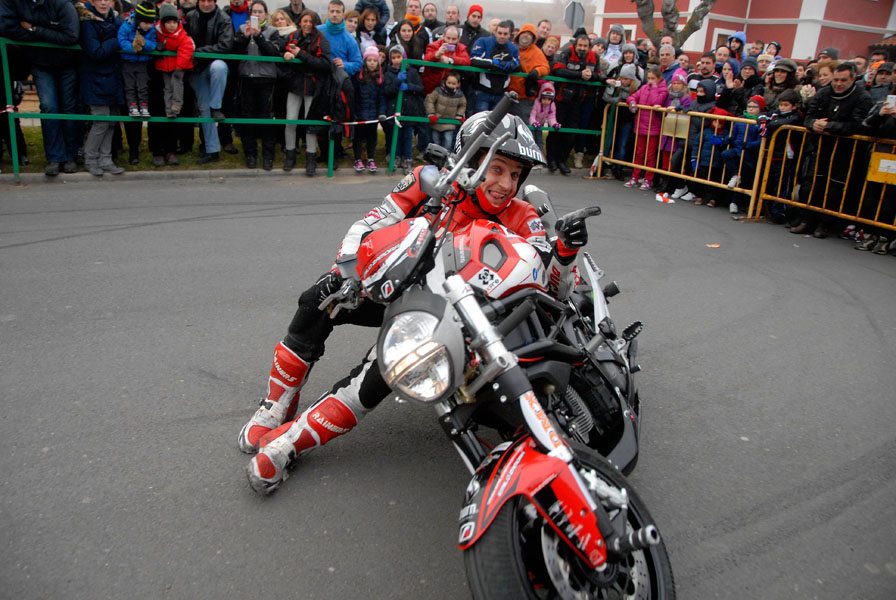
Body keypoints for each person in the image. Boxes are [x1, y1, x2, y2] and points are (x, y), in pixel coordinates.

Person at [243, 112, 590, 494]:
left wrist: (566, 254)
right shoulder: (431, 182)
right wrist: (346, 271)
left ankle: (287, 444)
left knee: (380, 374)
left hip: (455, 323)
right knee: (319, 298)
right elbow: (369, 224)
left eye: (515, 174)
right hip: (396, 287)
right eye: (497, 169)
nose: (506, 184)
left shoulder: (524, 215)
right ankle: (277, 403)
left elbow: (552, 295)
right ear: (469, 161)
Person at [791, 62, 872, 238]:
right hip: (821, 147)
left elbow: (857, 125)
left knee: (835, 189)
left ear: (853, 78)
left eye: (843, 80)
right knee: (812, 184)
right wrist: (813, 124)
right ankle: (806, 220)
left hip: (846, 152)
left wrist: (829, 126)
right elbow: (809, 116)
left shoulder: (862, 97)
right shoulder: (824, 93)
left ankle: (824, 224)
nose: (838, 84)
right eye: (836, 80)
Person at [0, 0, 80, 176]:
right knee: (49, 107)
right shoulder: (15, 3)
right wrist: (49, 35)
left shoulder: (62, 4)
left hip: (67, 63)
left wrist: (34, 29)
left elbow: (71, 36)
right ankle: (54, 157)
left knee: (68, 108)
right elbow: (7, 28)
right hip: (39, 63)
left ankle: (70, 156)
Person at [232, 0, 281, 170]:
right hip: (246, 77)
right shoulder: (241, 29)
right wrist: (245, 37)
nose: (257, 15)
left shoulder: (272, 31)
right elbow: (235, 50)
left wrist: (259, 36)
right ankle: (250, 155)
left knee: (266, 118)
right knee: (247, 118)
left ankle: (268, 156)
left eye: (260, 12)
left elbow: (273, 52)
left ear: (266, 14)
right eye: (255, 12)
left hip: (266, 79)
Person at [281, 8, 331, 175]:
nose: (308, 24)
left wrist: (300, 54)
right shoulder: (293, 36)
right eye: (305, 21)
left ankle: (311, 157)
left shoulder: (321, 39)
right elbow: (279, 48)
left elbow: (325, 64)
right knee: (290, 121)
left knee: (311, 123)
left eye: (311, 22)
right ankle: (289, 154)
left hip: (313, 86)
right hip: (294, 84)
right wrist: (285, 54)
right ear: (300, 22)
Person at [184, 0, 234, 164]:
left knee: (219, 67)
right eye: (203, 1)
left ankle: (216, 106)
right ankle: (212, 150)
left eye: (210, 0)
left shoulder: (224, 18)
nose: (206, 4)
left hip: (213, 65)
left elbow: (226, 45)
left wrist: (199, 52)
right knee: (204, 109)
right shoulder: (190, 16)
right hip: (195, 69)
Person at [79, 0, 125, 177]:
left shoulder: (116, 20)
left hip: (113, 78)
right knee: (100, 121)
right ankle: (91, 159)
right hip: (95, 78)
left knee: (111, 122)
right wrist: (115, 41)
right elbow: (96, 52)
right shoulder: (88, 22)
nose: (104, 3)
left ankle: (106, 159)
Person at [548, 30, 599, 174]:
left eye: (585, 46)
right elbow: (557, 71)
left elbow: (599, 75)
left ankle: (562, 161)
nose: (582, 48)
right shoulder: (567, 52)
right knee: (555, 130)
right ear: (575, 45)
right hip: (561, 99)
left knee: (571, 133)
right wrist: (579, 75)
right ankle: (551, 160)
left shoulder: (594, 57)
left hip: (579, 101)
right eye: (580, 45)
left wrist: (591, 76)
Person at [759, 88, 803, 224]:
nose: (782, 107)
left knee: (782, 185)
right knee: (768, 182)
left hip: (785, 156)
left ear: (794, 106)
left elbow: (779, 124)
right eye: (781, 104)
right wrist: (763, 121)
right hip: (771, 153)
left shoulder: (796, 117)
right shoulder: (775, 113)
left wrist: (770, 124)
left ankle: (780, 212)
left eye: (786, 105)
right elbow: (762, 116)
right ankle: (766, 208)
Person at [717, 95, 764, 213]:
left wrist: (749, 145)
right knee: (726, 154)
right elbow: (733, 135)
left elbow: (761, 141)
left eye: (755, 107)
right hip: (737, 150)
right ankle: (735, 174)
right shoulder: (740, 120)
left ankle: (735, 202)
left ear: (760, 109)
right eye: (749, 106)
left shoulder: (760, 123)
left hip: (749, 154)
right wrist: (728, 139)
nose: (751, 109)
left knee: (744, 180)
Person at [383, 45, 426, 172]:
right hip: (395, 110)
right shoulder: (389, 74)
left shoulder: (412, 72)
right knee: (396, 136)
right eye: (393, 58)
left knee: (407, 136)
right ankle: (396, 157)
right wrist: (397, 81)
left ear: (404, 57)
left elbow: (420, 88)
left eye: (399, 57)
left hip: (409, 110)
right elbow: (387, 91)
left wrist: (409, 86)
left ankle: (407, 158)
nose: (396, 60)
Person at [624, 66, 668, 190]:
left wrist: (654, 88)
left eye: (653, 78)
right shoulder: (644, 88)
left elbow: (656, 102)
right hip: (641, 125)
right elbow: (632, 96)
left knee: (650, 156)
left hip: (653, 127)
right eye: (648, 78)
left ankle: (648, 179)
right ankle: (635, 177)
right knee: (639, 153)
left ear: (659, 79)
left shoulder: (663, 90)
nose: (650, 81)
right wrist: (632, 102)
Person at [117, 1, 157, 118]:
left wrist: (144, 43)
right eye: (145, 23)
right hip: (128, 61)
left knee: (142, 86)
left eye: (150, 23)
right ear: (139, 20)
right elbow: (121, 40)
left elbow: (153, 44)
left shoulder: (151, 29)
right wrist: (132, 48)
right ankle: (132, 106)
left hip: (142, 62)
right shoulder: (127, 25)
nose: (148, 26)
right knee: (130, 85)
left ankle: (144, 106)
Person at [469, 20, 519, 112]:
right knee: (481, 119)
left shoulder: (513, 48)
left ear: (510, 35)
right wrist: (494, 63)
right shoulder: (483, 41)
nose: (502, 36)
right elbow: (473, 59)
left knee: (498, 120)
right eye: (500, 33)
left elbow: (517, 64)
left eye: (505, 34)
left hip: (501, 92)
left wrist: (507, 65)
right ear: (495, 32)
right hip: (482, 91)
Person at [155, 3, 194, 120]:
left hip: (178, 65)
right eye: (168, 22)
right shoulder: (157, 32)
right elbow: (150, 39)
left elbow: (187, 49)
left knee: (176, 83)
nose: (172, 25)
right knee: (167, 87)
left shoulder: (181, 35)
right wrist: (156, 45)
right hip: (164, 65)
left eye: (174, 22)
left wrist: (179, 67)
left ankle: (177, 105)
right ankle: (168, 109)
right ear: (163, 23)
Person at [351, 46, 386, 172]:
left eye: (374, 60)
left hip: (373, 115)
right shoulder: (358, 78)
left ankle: (371, 158)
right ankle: (357, 159)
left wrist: (381, 112)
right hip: (360, 114)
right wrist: (354, 112)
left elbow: (382, 98)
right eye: (369, 60)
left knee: (372, 137)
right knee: (358, 137)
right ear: (365, 61)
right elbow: (354, 96)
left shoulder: (379, 79)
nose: (372, 63)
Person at [507, 23, 550, 121]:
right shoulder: (510, 47)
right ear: (519, 34)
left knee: (522, 123)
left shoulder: (537, 52)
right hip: (505, 94)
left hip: (524, 97)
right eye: (524, 33)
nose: (526, 36)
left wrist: (537, 71)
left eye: (530, 34)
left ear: (533, 38)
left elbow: (545, 68)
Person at [421, 25, 469, 94]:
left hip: (450, 87)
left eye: (454, 39)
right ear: (443, 36)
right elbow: (425, 60)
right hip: (431, 86)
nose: (450, 41)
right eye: (448, 38)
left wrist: (450, 60)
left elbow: (466, 61)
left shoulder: (461, 48)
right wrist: (436, 55)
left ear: (458, 39)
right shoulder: (434, 45)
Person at [424, 69, 466, 150]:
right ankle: (434, 155)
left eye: (453, 84)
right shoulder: (438, 91)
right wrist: (431, 114)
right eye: (449, 83)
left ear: (458, 84)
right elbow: (429, 100)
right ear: (445, 82)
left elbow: (463, 104)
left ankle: (446, 156)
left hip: (450, 123)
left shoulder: (460, 95)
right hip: (436, 121)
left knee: (448, 142)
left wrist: (459, 115)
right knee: (435, 141)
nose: (450, 85)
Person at [530, 81, 559, 152]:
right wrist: (533, 122)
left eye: (549, 99)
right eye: (544, 99)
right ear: (541, 97)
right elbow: (531, 115)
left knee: (540, 141)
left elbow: (551, 117)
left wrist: (554, 124)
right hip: (532, 125)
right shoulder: (536, 103)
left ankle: (540, 154)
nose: (546, 101)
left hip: (540, 125)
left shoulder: (552, 105)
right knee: (531, 139)